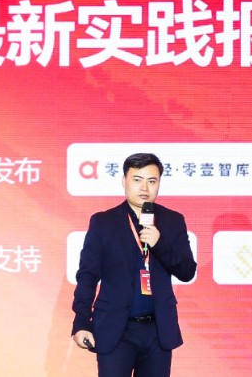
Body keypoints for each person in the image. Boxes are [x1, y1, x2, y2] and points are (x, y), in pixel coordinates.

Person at [72, 153, 197, 377]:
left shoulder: (173, 221)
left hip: (158, 331)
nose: (144, 188)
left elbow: (187, 271)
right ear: (124, 181)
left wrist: (159, 244)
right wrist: (81, 322)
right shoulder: (103, 222)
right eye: (137, 180)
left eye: (152, 181)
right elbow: (87, 276)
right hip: (116, 330)